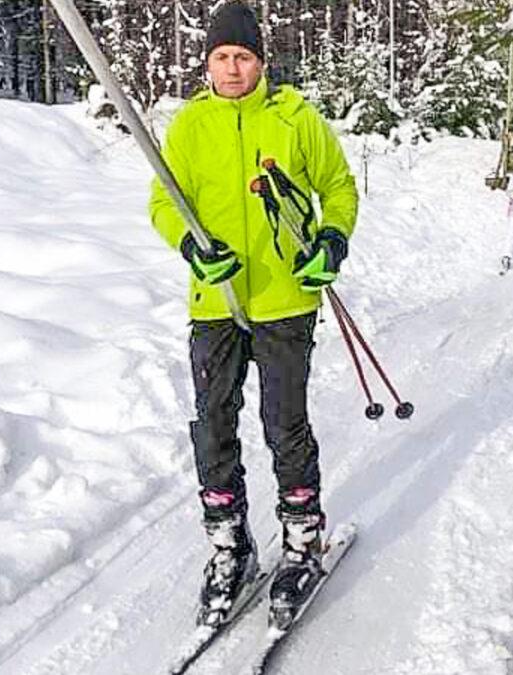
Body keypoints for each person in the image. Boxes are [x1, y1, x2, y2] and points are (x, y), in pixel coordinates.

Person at [148, 1, 358, 627]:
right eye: (221, 57)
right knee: (213, 420)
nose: (232, 68)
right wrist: (189, 245)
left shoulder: (295, 120)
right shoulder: (190, 127)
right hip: (216, 300)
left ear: (260, 61)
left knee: (282, 419)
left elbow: (339, 187)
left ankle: (300, 540)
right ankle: (229, 545)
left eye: (242, 57)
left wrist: (331, 242)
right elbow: (164, 201)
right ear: (207, 62)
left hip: (285, 296)